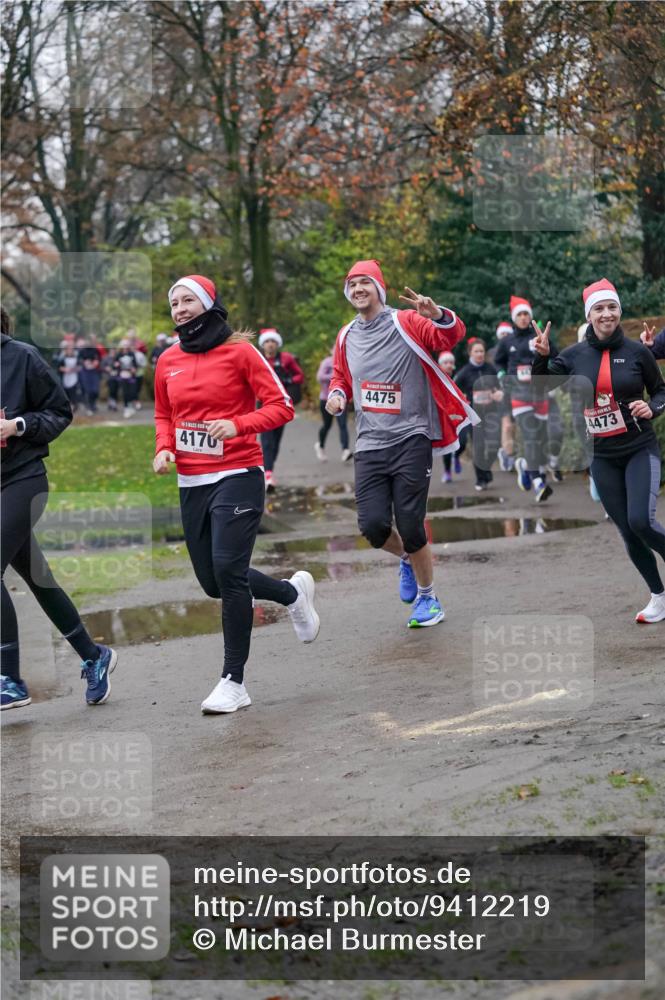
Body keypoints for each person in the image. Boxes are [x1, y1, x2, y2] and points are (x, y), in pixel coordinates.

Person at [154, 275, 320, 715]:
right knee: (213, 582)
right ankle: (291, 594)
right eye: (174, 303)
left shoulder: (241, 352)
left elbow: (283, 405)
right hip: (192, 480)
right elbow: (163, 414)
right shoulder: (167, 358)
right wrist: (164, 447)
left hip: (239, 473)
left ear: (209, 304)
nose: (180, 308)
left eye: (188, 300)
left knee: (229, 570)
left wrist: (238, 425)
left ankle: (234, 681)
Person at [326, 259, 476, 628]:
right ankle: (408, 559)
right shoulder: (346, 335)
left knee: (411, 524)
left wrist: (437, 313)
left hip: (411, 435)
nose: (358, 289)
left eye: (365, 282)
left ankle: (429, 599)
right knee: (373, 527)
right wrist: (336, 395)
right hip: (369, 442)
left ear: (378, 287)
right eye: (352, 284)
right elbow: (341, 376)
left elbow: (450, 336)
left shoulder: (404, 321)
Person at [0, 307, 118, 710]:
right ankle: (93, 655)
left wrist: (17, 426)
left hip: (22, 480)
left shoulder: (21, 357)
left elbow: (59, 412)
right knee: (38, 578)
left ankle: (10, 679)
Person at [533, 278, 665, 623]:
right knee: (626, 528)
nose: (607, 314)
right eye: (599, 309)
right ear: (589, 315)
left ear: (619, 311)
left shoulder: (638, 352)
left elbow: (661, 391)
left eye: (612, 307)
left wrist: (653, 408)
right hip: (603, 456)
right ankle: (659, 595)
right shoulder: (574, 356)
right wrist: (541, 357)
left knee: (641, 520)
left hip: (640, 448)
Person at [494, 296, 554, 503]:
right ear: (514, 317)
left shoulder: (539, 336)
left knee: (541, 437)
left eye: (526, 313)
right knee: (530, 436)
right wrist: (502, 374)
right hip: (518, 394)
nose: (522, 317)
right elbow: (497, 362)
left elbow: (555, 357)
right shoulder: (506, 341)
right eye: (519, 314)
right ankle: (538, 481)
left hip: (539, 393)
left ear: (531, 316)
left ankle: (524, 466)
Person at [257, 328, 304, 491]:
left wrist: (288, 379)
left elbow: (300, 376)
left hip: (281, 404)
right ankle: (268, 474)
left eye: (273, 342)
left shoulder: (286, 359)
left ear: (277, 344)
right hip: (262, 403)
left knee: (275, 442)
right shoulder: (258, 358)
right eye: (267, 342)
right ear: (263, 344)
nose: (270, 345)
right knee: (267, 440)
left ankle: (269, 469)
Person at [454, 339, 503, 491]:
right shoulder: (464, 372)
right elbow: (454, 390)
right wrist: (462, 401)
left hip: (492, 413)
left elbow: (499, 388)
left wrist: (499, 393)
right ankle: (481, 479)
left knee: (495, 445)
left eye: (482, 351)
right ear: (470, 353)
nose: (479, 354)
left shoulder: (490, 368)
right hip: (475, 416)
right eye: (476, 351)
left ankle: (486, 469)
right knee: (479, 447)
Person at [315, 353, 353, 462]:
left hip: (341, 399)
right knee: (327, 425)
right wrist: (335, 375)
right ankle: (320, 446)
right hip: (326, 399)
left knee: (343, 425)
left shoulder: (346, 361)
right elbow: (320, 377)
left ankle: (345, 450)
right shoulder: (327, 362)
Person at [491, 322, 517, 473]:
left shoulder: (518, 350)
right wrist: (494, 390)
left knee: (513, 427)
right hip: (501, 394)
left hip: (517, 393)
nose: (505, 338)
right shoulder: (492, 353)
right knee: (506, 426)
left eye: (508, 335)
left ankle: (507, 451)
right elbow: (488, 372)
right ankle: (508, 455)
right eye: (503, 335)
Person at [437, 352, 465, 482]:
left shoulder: (459, 377)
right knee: (447, 446)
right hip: (444, 418)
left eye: (451, 363)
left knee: (463, 443)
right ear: (440, 365)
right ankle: (447, 471)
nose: (448, 365)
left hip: (459, 417)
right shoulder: (436, 379)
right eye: (445, 363)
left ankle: (457, 456)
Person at [76, 334, 102, 415]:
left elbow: (99, 359)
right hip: (85, 372)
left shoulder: (95, 350)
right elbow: (78, 360)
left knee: (95, 390)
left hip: (94, 372)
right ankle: (90, 407)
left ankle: (93, 404)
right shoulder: (82, 351)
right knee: (88, 390)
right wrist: (84, 362)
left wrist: (96, 362)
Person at [58, 342, 81, 411]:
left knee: (73, 392)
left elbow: (79, 367)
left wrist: (73, 369)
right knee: (66, 392)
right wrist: (65, 369)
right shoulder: (62, 358)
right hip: (65, 377)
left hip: (74, 377)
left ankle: (74, 406)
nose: (70, 350)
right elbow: (59, 367)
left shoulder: (76, 357)